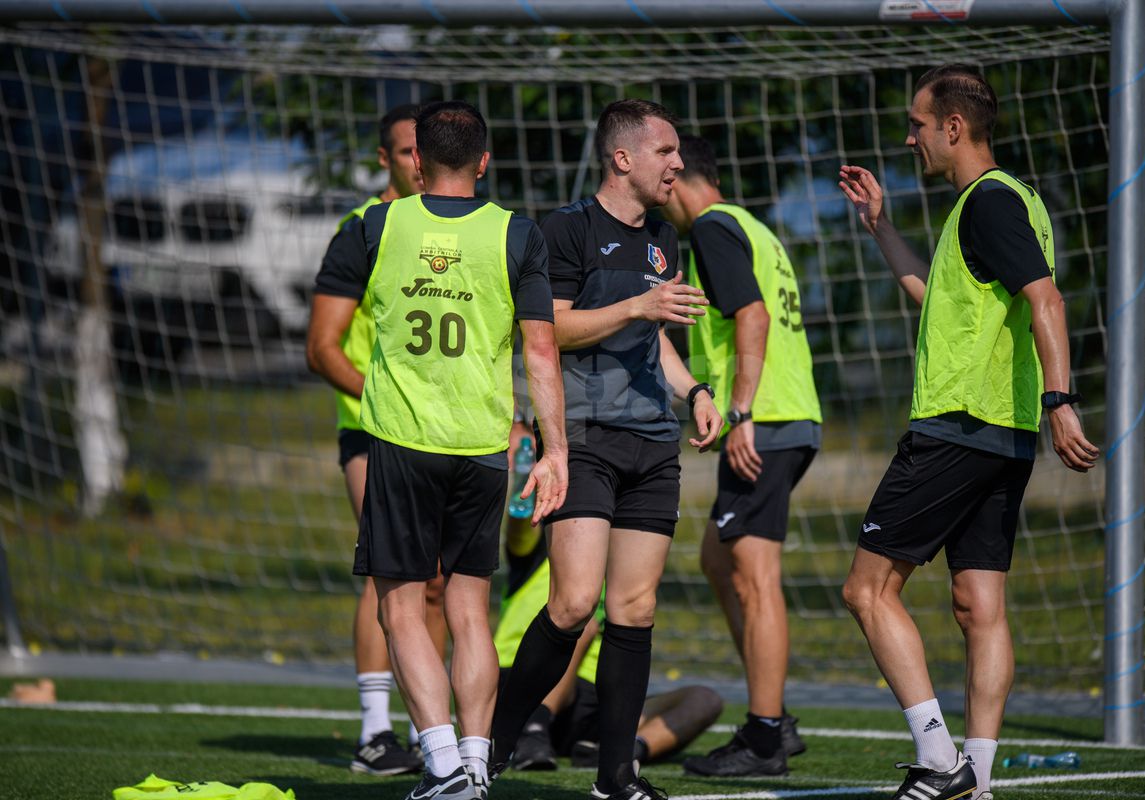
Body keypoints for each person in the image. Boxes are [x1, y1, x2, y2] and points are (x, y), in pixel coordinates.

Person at [838, 64, 1099, 800]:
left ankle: (937, 758)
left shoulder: (988, 202)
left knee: (866, 590)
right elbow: (938, 300)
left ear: (953, 128)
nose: (910, 138)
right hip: (1001, 436)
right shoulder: (1012, 202)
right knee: (978, 606)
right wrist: (880, 225)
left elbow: (1047, 301)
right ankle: (975, 783)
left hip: (959, 426)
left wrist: (1061, 401)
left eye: (917, 125)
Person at [487, 99, 723, 800]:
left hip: (653, 443)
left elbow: (656, 337)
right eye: (665, 152)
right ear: (623, 158)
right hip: (583, 437)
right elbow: (549, 329)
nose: (677, 163)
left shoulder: (663, 237)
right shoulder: (563, 230)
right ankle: (489, 742)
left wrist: (695, 391)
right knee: (571, 605)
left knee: (635, 609)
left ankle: (616, 777)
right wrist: (634, 307)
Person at [337, 100, 568, 800]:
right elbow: (541, 351)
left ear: (416, 160)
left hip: (402, 443)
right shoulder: (517, 232)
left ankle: (441, 767)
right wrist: (555, 450)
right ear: (484, 162)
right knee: (471, 613)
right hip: (482, 447)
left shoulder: (375, 225)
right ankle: (475, 765)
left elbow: (327, 328)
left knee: (402, 610)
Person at [661, 134, 819, 777]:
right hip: (788, 415)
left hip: (765, 420)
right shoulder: (754, 227)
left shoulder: (711, 228)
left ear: (678, 178)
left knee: (755, 579)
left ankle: (765, 735)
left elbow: (751, 315)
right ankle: (771, 713)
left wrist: (742, 411)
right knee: (718, 561)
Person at [307, 104, 444, 775]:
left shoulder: (450, 231)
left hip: (445, 437)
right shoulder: (363, 229)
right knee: (390, 571)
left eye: (427, 149)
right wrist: (387, 403)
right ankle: (372, 732)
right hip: (373, 432)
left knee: (439, 582)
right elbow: (322, 347)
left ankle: (429, 729)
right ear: (385, 159)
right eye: (408, 150)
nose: (421, 161)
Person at [494, 514, 724, 773]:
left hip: (589, 704)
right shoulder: (540, 554)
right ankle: (532, 728)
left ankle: (625, 751)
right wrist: (525, 491)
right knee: (583, 624)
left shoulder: (626, 577)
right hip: (523, 679)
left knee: (705, 699)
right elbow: (519, 525)